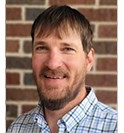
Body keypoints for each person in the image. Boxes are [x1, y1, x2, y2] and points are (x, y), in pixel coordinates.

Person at [7, 5, 117, 133]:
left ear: (89, 60)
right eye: (42, 48)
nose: (53, 64)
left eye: (68, 49)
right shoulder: (17, 128)